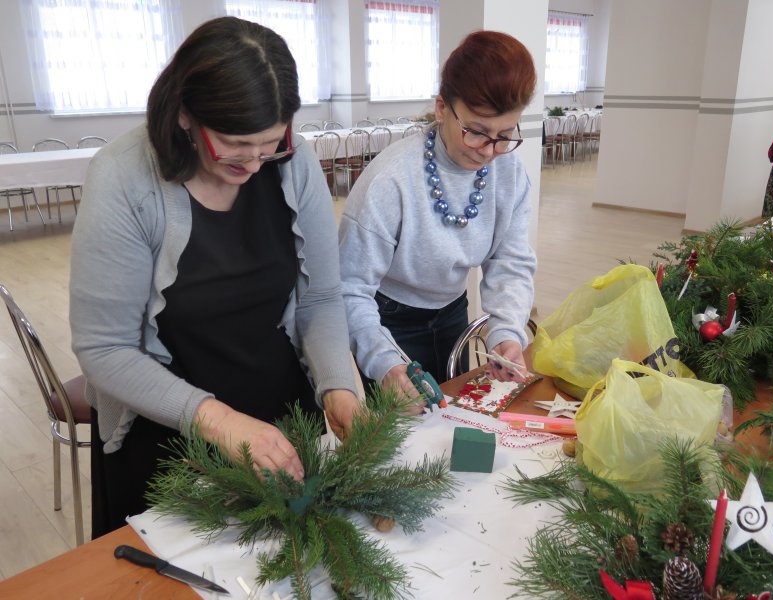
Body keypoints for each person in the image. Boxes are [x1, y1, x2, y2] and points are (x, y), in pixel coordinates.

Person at [69, 16, 361, 538]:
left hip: (281, 422)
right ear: (184, 114)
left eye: (270, 143)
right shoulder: (123, 176)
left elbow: (320, 298)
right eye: (235, 144)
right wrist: (219, 421)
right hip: (167, 435)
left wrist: (337, 382)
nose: (254, 163)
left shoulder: (292, 162)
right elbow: (105, 349)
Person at [338, 30, 537, 404]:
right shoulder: (391, 179)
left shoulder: (509, 173)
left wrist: (507, 332)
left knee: (454, 416)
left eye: (504, 135)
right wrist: (383, 361)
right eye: (476, 132)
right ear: (442, 108)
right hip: (387, 320)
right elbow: (350, 287)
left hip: (451, 311)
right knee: (406, 426)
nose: (488, 151)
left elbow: (510, 262)